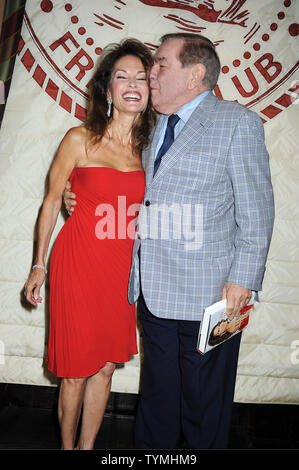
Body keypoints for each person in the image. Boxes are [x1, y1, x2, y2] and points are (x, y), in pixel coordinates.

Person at [65, 33, 274, 449]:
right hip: (153, 292)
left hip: (214, 297)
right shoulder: (150, 124)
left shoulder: (237, 123)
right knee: (158, 404)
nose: (151, 75)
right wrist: (81, 198)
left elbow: (258, 211)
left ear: (195, 74)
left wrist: (244, 280)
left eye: (160, 64)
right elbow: (135, 189)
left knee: (204, 406)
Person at [24, 38, 155, 450]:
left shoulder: (153, 151)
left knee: (104, 370)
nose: (132, 84)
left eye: (142, 78)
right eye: (122, 76)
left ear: (152, 90)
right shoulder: (79, 138)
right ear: (108, 88)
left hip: (122, 269)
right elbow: (50, 202)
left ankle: (88, 447)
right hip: (77, 263)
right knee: (76, 370)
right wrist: (38, 265)